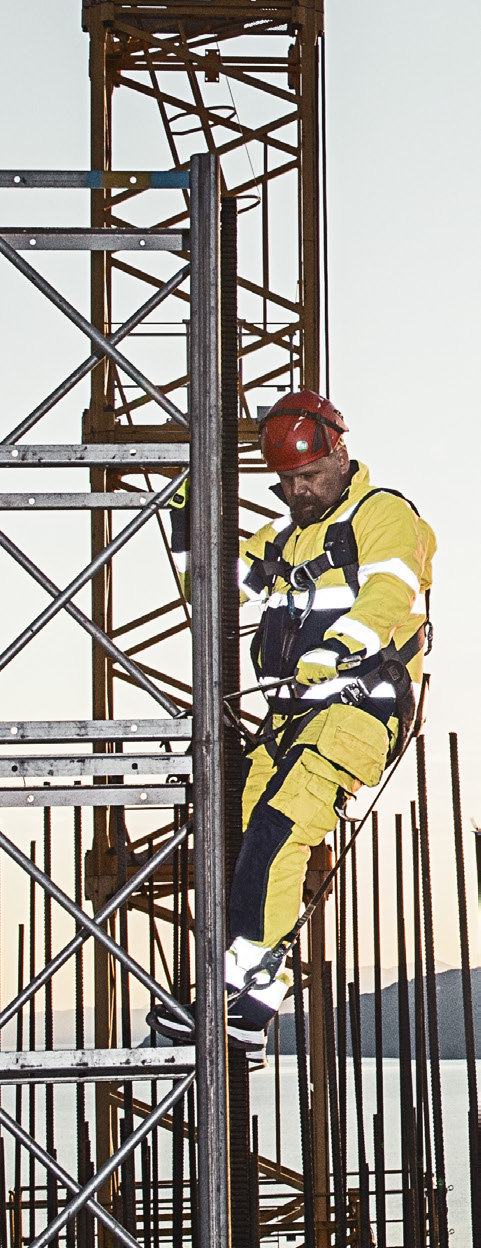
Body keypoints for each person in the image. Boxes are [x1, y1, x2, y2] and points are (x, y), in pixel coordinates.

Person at [157, 390, 434, 1062]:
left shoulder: (382, 514)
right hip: (287, 720)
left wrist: (339, 647)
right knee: (241, 850)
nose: (298, 491)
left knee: (278, 837)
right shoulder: (286, 539)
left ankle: (246, 995)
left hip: (355, 713)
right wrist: (188, 518)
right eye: (286, 483)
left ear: (340, 454)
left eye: (309, 477)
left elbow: (390, 588)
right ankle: (249, 996)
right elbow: (213, 591)